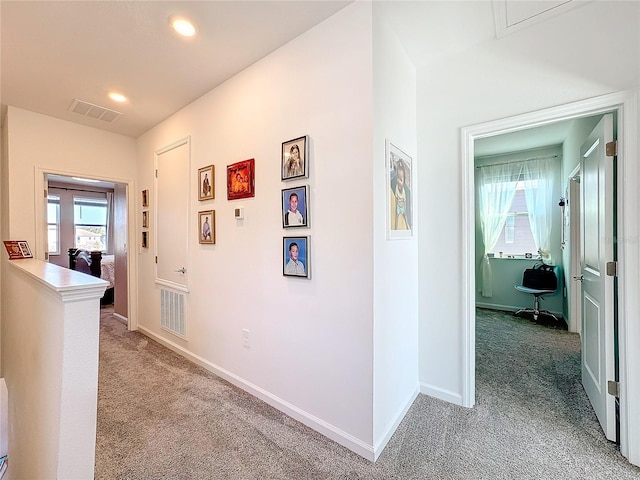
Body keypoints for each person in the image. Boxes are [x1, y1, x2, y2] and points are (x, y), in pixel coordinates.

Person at [390, 161, 412, 230]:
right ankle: (395, 229)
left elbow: (404, 200)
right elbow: (397, 198)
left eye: (401, 180)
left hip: (402, 206)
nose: (399, 181)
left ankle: (407, 227)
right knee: (396, 217)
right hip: (398, 207)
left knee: (404, 217)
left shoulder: (404, 191)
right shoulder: (396, 188)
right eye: (398, 179)